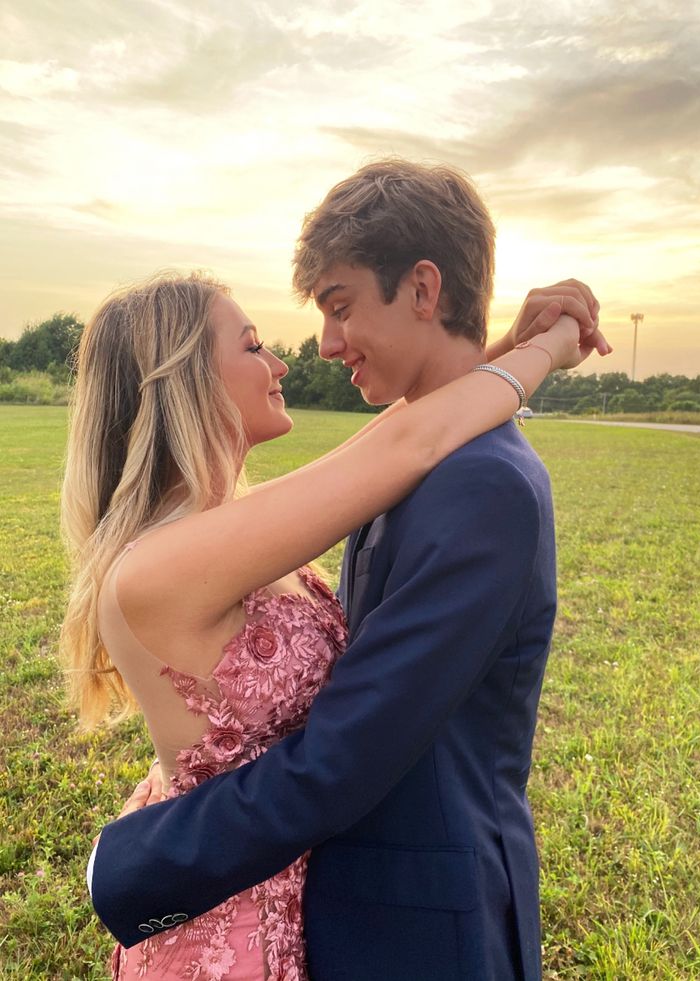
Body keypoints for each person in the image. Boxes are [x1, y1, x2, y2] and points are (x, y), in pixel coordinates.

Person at [80, 161, 608, 980]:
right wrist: (542, 348)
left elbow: (396, 444)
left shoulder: (460, 485)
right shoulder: (168, 563)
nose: (305, 352)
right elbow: (403, 442)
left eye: (337, 306)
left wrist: (511, 347)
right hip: (239, 921)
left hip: (371, 905)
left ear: (423, 289)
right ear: (183, 378)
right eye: (256, 345)